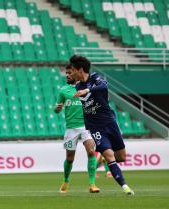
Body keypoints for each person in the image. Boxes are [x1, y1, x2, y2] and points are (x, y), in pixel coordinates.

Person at [70, 55, 134, 195]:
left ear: (80, 70)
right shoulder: (78, 86)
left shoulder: (95, 78)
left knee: (121, 157)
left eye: (73, 70)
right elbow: (86, 106)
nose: (72, 73)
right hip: (95, 127)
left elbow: (103, 86)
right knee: (110, 156)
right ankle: (125, 187)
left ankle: (105, 160)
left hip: (110, 122)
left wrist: (87, 90)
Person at [55, 64, 99, 193]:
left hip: (86, 127)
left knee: (91, 152)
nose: (67, 75)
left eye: (69, 73)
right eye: (66, 74)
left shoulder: (87, 88)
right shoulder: (63, 91)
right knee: (70, 158)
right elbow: (57, 108)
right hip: (71, 129)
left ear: (75, 73)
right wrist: (57, 109)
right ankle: (66, 180)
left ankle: (92, 184)